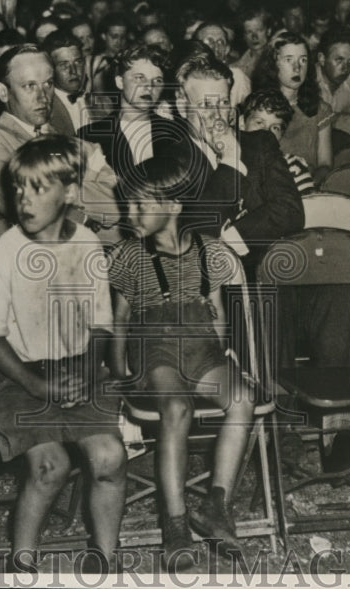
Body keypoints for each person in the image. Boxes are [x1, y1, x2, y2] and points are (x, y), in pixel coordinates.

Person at [0, 136, 126, 570]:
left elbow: (101, 325)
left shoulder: (87, 245)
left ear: (71, 193)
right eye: (18, 188)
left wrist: (84, 369)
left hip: (79, 370)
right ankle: (21, 562)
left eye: (37, 188)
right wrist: (40, 384)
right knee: (50, 466)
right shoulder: (6, 251)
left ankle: (104, 560)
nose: (23, 199)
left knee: (108, 457)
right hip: (17, 376)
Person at [108, 157, 255, 563]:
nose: (130, 214)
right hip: (155, 352)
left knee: (241, 399)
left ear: (173, 207)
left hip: (202, 349)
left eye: (140, 206)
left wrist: (220, 356)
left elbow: (219, 315)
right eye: (128, 205)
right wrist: (120, 376)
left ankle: (216, 506)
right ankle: (174, 522)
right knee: (176, 407)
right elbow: (119, 322)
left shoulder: (210, 252)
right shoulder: (127, 256)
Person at [0, 44, 119, 243]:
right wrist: (83, 214)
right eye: (29, 86)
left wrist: (48, 188)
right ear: (2, 92)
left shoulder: (82, 147)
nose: (43, 97)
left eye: (48, 84)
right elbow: (19, 201)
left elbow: (116, 203)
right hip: (8, 262)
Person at [161, 54, 303, 271]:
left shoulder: (260, 143)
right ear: (182, 106)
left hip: (269, 272)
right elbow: (193, 237)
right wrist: (230, 163)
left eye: (224, 103)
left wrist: (233, 238)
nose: (217, 116)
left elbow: (290, 211)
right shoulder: (168, 162)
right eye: (206, 105)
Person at [79, 44, 178, 196]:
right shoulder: (89, 137)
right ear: (119, 82)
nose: (149, 87)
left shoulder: (175, 134)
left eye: (157, 80)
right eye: (139, 78)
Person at [251, 32, 332, 183]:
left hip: (309, 189)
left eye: (303, 60)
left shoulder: (320, 109)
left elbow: (325, 165)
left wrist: (308, 185)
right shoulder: (258, 109)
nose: (297, 68)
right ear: (273, 64)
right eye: (289, 60)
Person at [239, 90, 315, 196]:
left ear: (281, 135)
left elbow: (309, 207)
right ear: (242, 123)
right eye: (259, 122)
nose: (266, 132)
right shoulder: (230, 162)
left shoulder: (292, 167)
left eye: (275, 128)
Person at [194, 21, 251, 110]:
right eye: (209, 41)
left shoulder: (238, 78)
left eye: (220, 42)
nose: (215, 47)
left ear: (227, 49)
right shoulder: (187, 78)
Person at [44, 29, 90, 136]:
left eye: (78, 62)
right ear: (51, 69)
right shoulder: (46, 111)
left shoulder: (104, 104)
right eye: (64, 64)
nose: (73, 71)